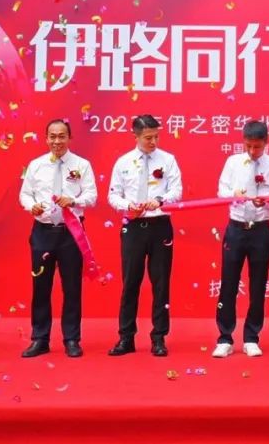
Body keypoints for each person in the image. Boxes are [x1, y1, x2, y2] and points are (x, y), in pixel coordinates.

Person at [18, 119, 97, 358]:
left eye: (62, 136)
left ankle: (71, 339)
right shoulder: (36, 165)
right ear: (46, 138)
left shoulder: (82, 165)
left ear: (69, 138)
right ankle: (40, 339)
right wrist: (31, 206)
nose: (57, 141)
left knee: (71, 287)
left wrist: (74, 201)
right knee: (40, 287)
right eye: (52, 136)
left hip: (70, 232)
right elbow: (25, 194)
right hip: (42, 231)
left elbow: (92, 195)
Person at [107, 114, 183, 357]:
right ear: (136, 136)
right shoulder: (123, 162)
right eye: (148, 137)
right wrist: (127, 206)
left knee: (161, 284)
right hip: (133, 226)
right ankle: (126, 337)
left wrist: (160, 200)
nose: (153, 142)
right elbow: (113, 195)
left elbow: (177, 191)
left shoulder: (168, 160)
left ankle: (159, 337)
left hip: (160, 225)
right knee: (130, 282)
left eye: (156, 137)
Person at [212, 120, 269, 358]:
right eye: (248, 146)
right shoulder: (233, 162)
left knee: (258, 284)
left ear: (266, 143)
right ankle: (225, 338)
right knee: (229, 284)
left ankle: (252, 337)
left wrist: (266, 201)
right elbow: (221, 191)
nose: (253, 151)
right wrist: (234, 194)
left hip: (261, 230)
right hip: (235, 228)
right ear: (243, 142)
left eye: (257, 147)